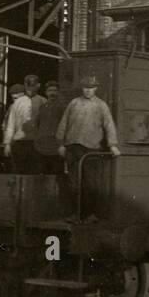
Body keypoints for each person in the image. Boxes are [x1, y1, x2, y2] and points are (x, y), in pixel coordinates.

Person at [56, 75, 122, 214]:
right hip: (72, 148)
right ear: (82, 89)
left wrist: (113, 145)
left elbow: (109, 125)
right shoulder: (74, 103)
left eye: (91, 88)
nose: (88, 91)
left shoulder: (101, 105)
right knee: (73, 183)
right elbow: (64, 123)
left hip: (91, 149)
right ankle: (75, 214)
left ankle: (90, 215)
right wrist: (61, 144)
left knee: (91, 184)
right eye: (86, 88)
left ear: (95, 89)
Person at [2, 83, 39, 173]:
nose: (15, 100)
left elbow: (9, 125)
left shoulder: (19, 105)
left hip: (25, 141)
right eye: (13, 98)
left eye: (16, 97)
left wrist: (7, 143)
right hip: (25, 142)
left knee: (24, 170)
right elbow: (8, 126)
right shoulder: (13, 107)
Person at [34, 80, 67, 176]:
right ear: (46, 93)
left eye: (55, 90)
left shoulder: (62, 107)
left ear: (58, 92)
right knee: (42, 175)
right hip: (42, 147)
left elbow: (66, 126)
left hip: (56, 147)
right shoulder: (43, 107)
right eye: (50, 90)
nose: (52, 93)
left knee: (57, 175)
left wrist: (62, 145)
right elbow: (37, 124)